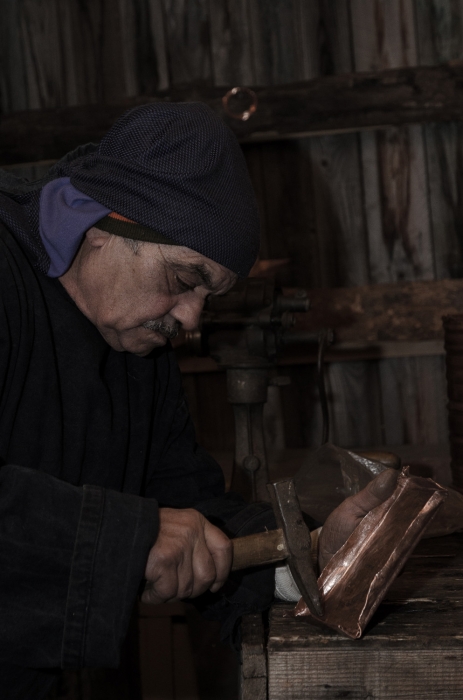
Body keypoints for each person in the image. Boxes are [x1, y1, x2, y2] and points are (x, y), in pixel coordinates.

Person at [0, 102, 397, 699]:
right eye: (185, 281)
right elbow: (141, 530)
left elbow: (185, 499)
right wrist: (125, 539)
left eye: (207, 297)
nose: (191, 320)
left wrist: (308, 556)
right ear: (104, 224)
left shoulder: (138, 351)